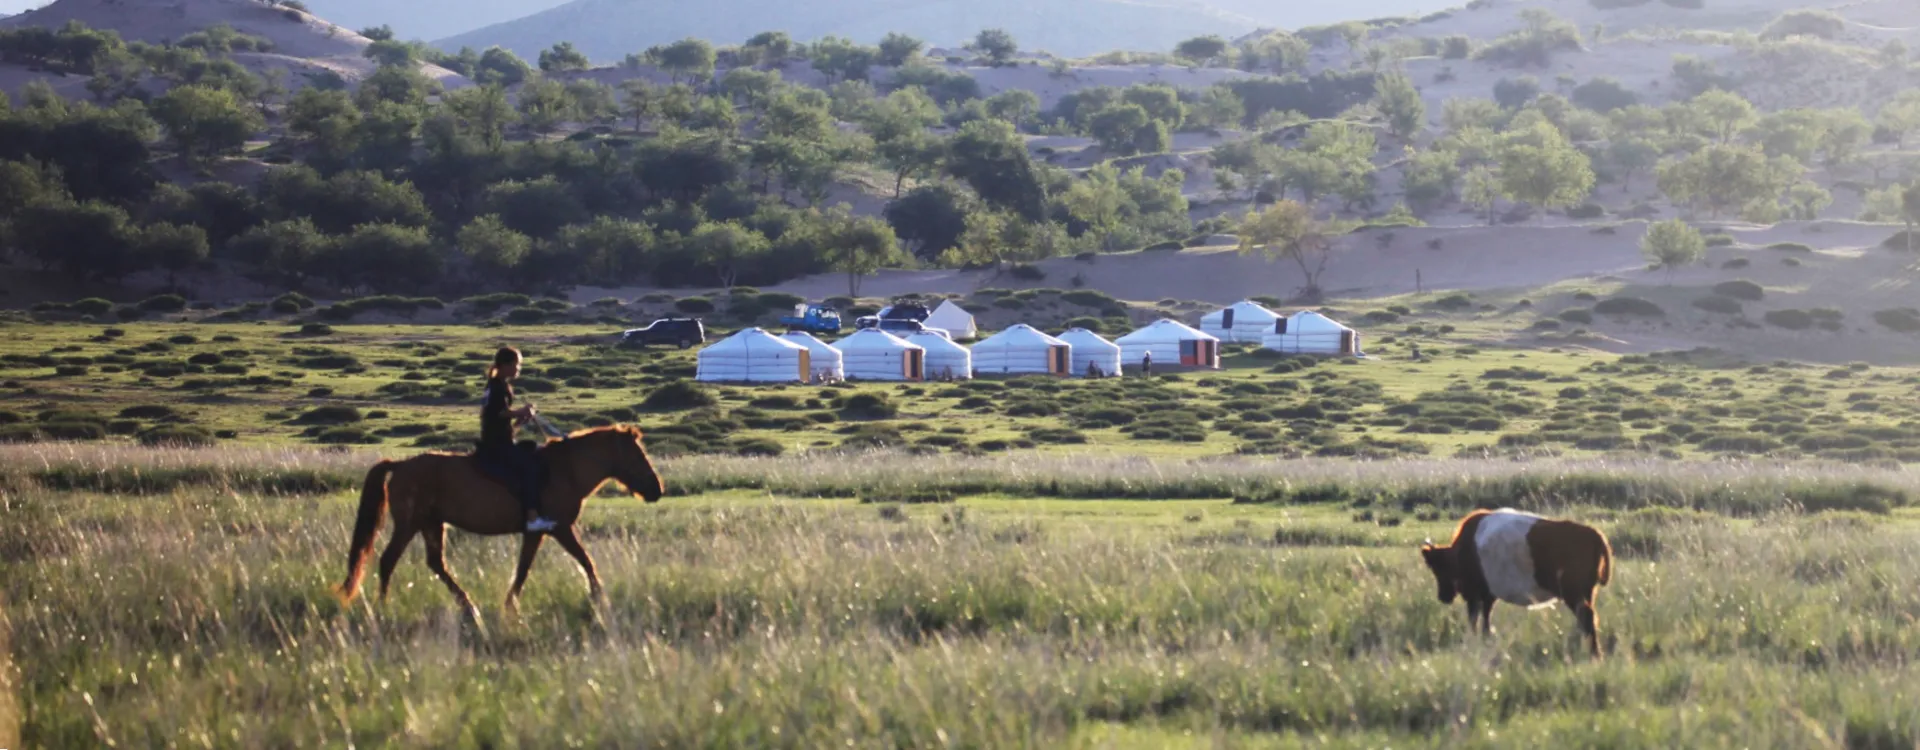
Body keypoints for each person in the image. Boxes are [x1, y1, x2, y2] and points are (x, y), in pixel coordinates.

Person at [479, 347, 557, 533]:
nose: (518, 369)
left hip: (498, 440)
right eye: (516, 365)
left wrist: (520, 420)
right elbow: (499, 413)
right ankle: (532, 517)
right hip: (497, 445)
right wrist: (521, 411)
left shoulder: (495, 385)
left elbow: (500, 419)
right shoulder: (498, 387)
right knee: (529, 467)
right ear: (505, 365)